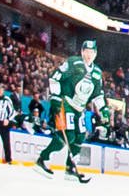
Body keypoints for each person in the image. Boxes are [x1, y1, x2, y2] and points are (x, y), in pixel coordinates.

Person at [35, 40, 105, 183]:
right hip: (66, 103)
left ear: (95, 54)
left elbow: (98, 94)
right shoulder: (73, 63)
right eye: (86, 51)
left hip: (80, 108)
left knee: (80, 137)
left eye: (91, 52)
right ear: (81, 52)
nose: (88, 55)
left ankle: (70, 167)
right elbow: (55, 77)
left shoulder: (97, 72)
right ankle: (43, 158)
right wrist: (54, 97)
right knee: (68, 135)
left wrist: (104, 109)